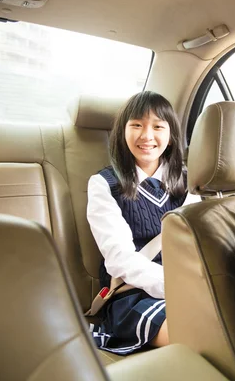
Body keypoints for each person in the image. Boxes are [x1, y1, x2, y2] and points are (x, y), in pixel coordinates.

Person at [87, 91, 186, 354]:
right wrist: (178, 288)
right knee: (199, 335)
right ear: (122, 132)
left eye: (157, 126)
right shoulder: (105, 184)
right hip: (133, 294)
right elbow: (119, 258)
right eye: (137, 125)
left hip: (190, 286)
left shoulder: (191, 182)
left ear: (171, 134)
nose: (147, 136)